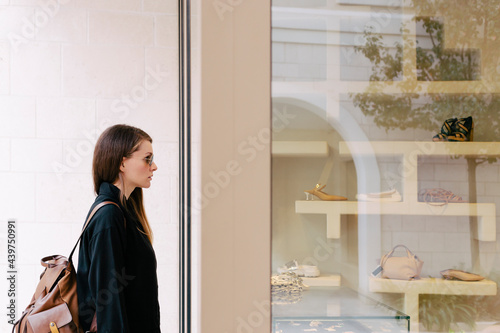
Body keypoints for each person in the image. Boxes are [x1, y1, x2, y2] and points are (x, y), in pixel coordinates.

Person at [77, 124, 160, 332]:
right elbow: (108, 305)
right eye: (147, 158)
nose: (154, 166)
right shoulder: (110, 215)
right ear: (122, 163)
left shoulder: (124, 211)